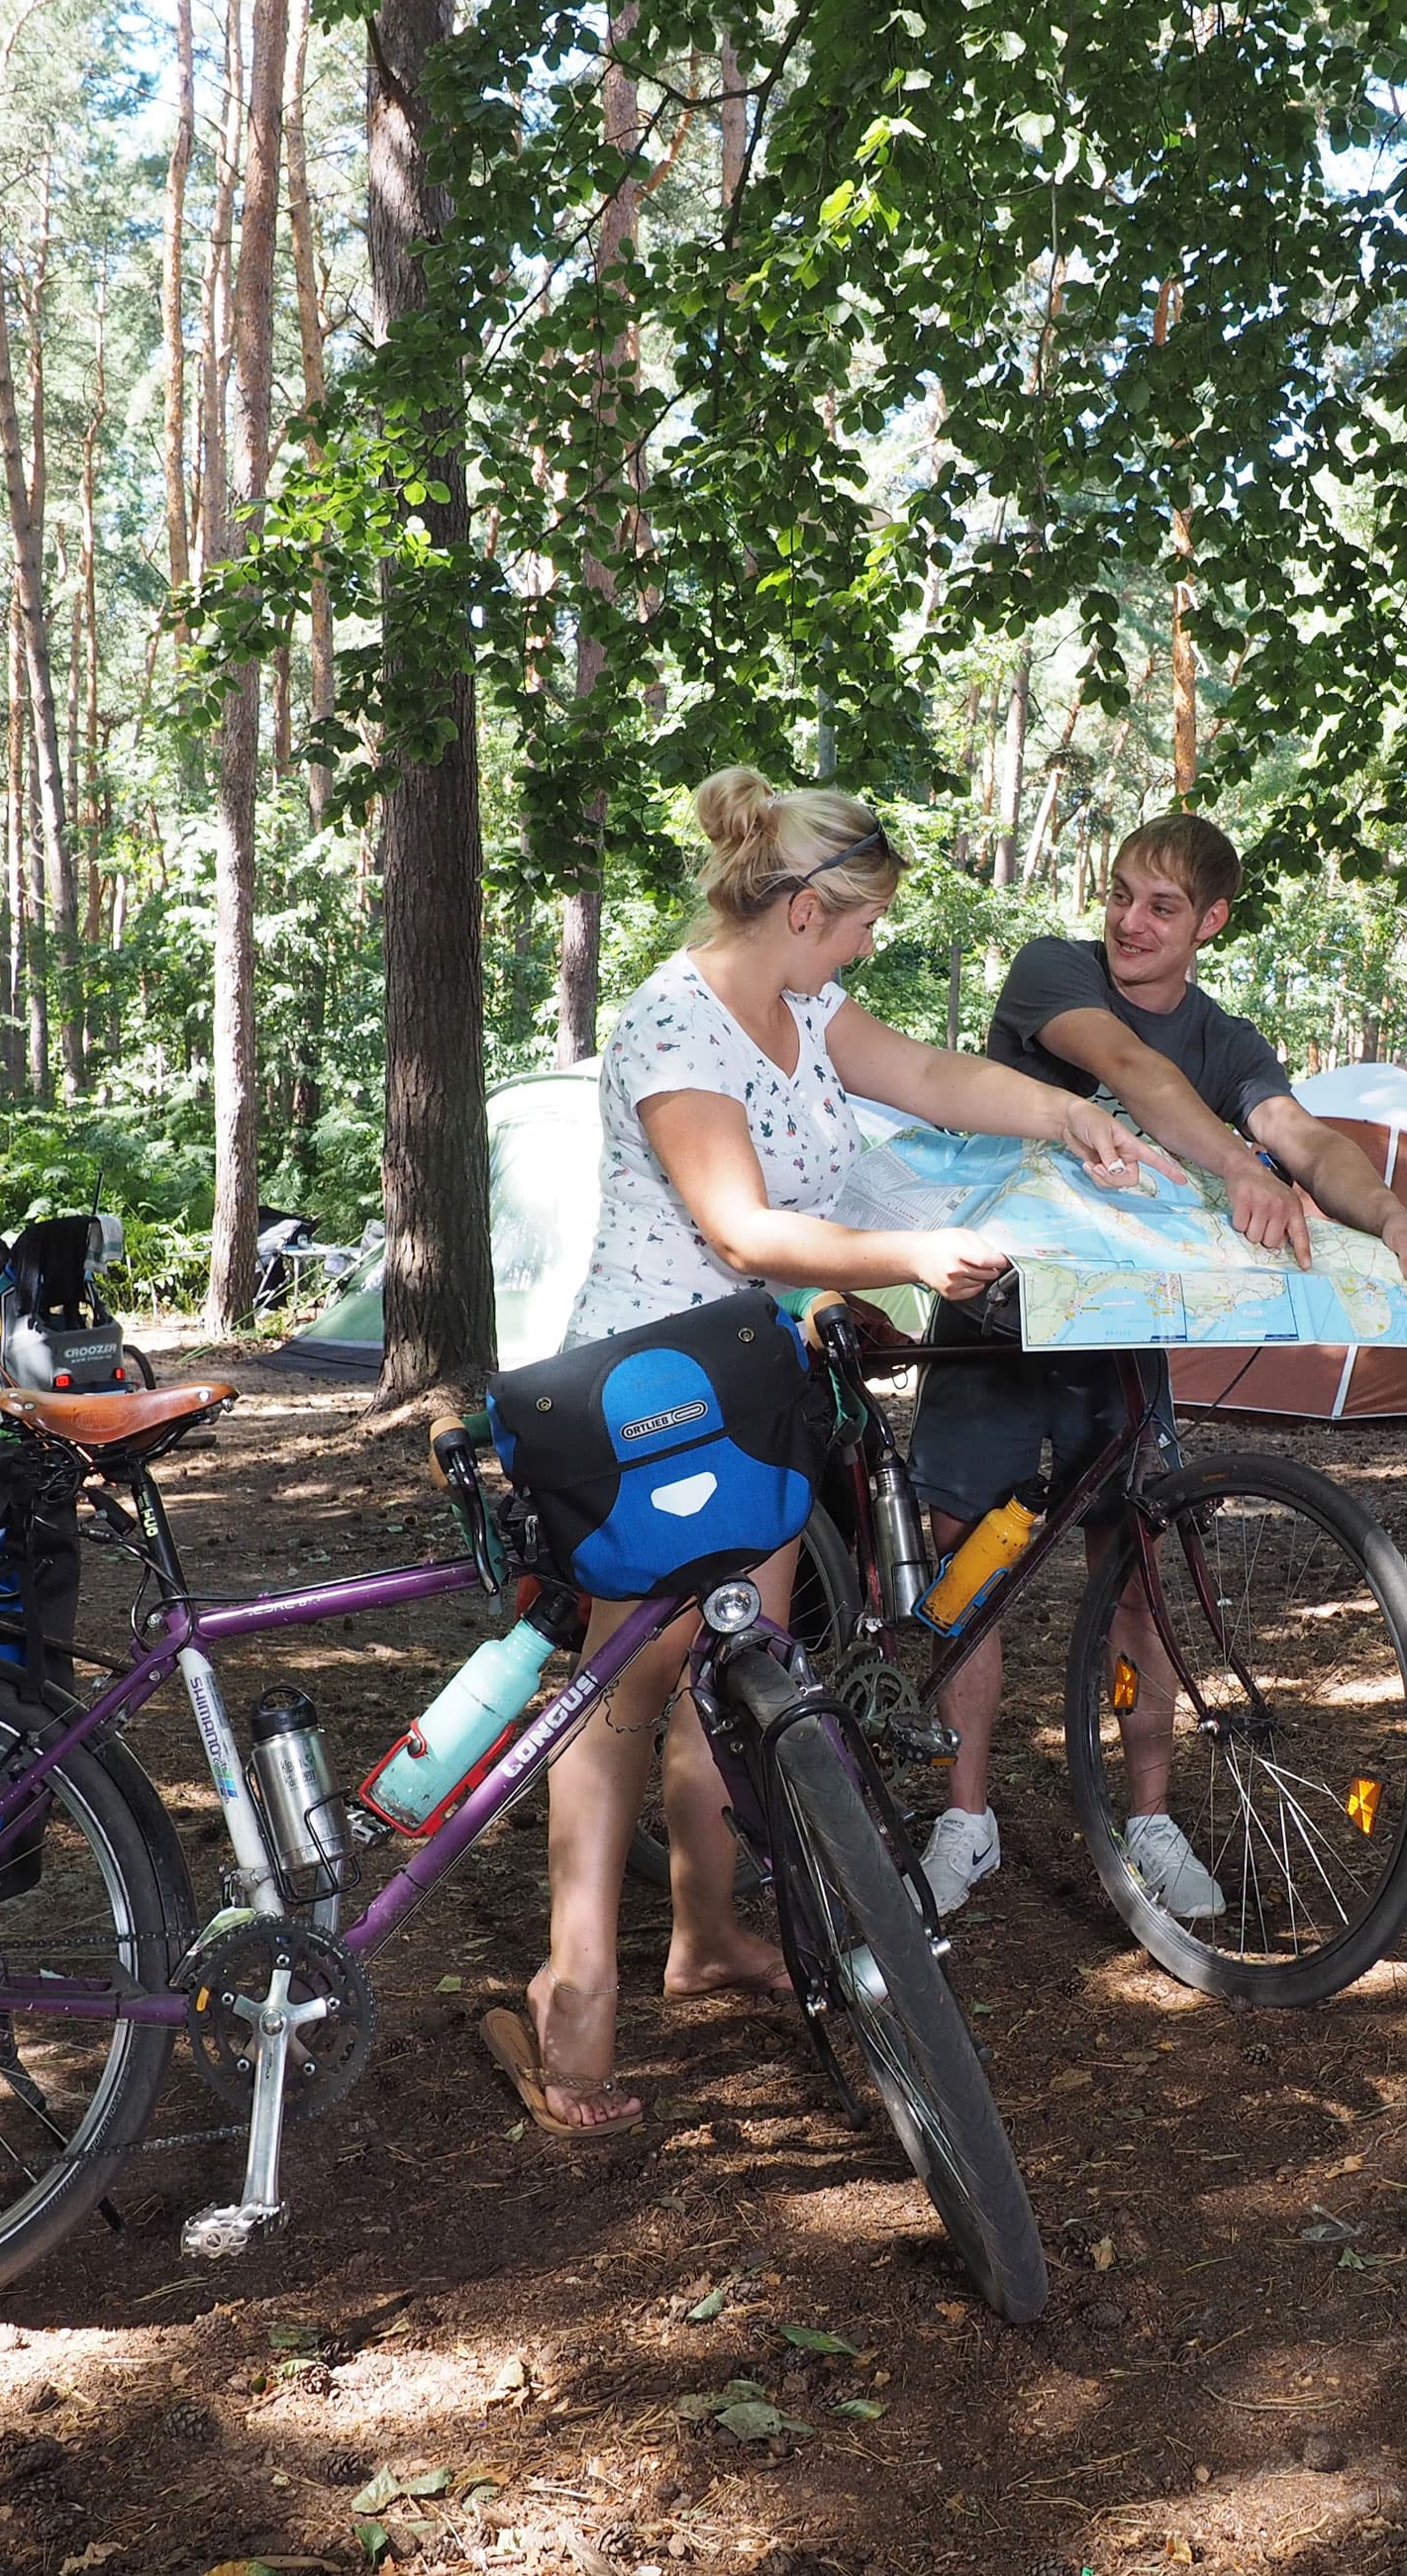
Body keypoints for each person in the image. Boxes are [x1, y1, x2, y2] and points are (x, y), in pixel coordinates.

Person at [488, 765, 1157, 2137]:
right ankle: (572, 2001)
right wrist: (908, 1253)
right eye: (860, 925)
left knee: (745, 1671)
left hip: (754, 1381)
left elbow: (923, 1073)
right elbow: (737, 1225)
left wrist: (1065, 1112)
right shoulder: (674, 1022)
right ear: (803, 907)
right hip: (642, 1391)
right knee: (627, 1683)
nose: (868, 947)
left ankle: (703, 1931)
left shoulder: (801, 1004)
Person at [909, 811, 1407, 1920]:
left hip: (1121, 1345)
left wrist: (1391, 1215)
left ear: (1209, 921)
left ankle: (1148, 1823)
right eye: (1117, 894)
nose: (1128, 921)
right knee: (968, 1575)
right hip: (999, 1332)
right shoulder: (1052, 971)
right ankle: (963, 1821)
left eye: (1160, 906)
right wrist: (1233, 1166)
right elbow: (1123, 1069)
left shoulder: (1228, 1039)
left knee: (1144, 1582)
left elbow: (1303, 1139)